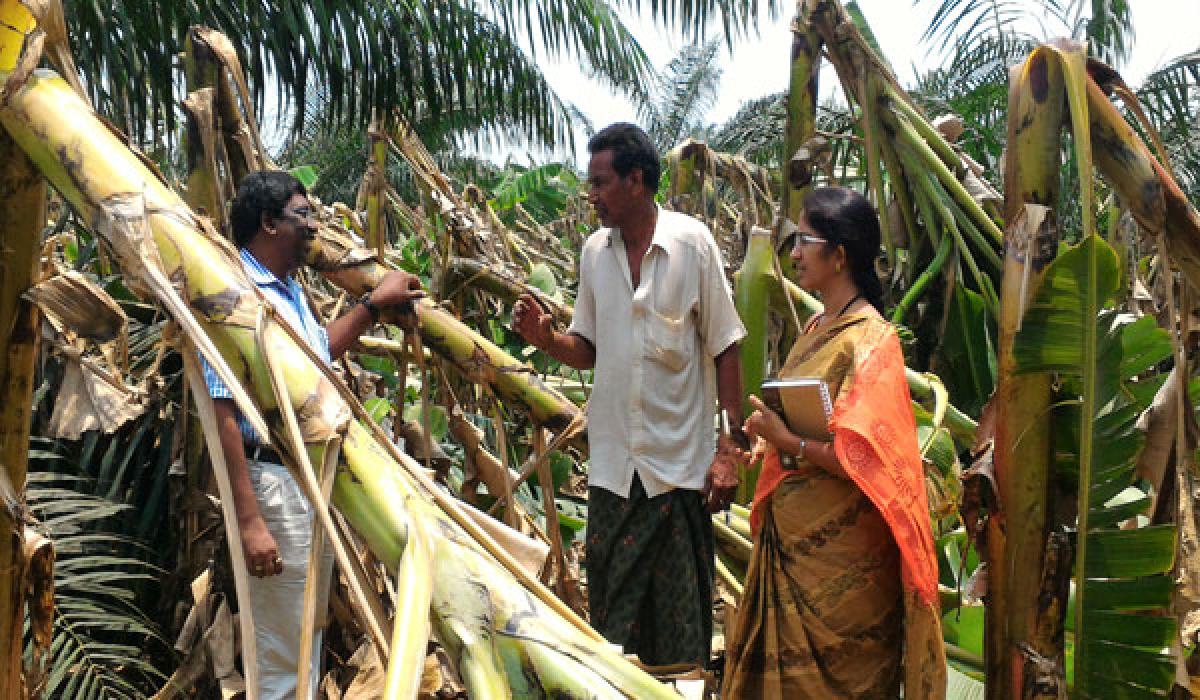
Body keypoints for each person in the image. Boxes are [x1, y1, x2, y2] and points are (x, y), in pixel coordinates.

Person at [512, 122, 747, 667]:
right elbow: (588, 347)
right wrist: (546, 339)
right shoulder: (596, 253)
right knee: (611, 635)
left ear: (636, 181)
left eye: (599, 183)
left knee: (680, 632)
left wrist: (729, 452)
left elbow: (726, 347)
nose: (589, 195)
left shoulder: (692, 246)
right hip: (613, 472)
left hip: (676, 474)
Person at [201, 171, 424, 699]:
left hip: (305, 480)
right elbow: (221, 406)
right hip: (272, 484)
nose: (313, 226)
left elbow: (315, 356)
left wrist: (371, 307)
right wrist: (251, 519)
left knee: (304, 638)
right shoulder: (239, 294)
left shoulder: (290, 294)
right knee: (281, 653)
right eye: (303, 215)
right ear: (269, 223)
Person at [723, 187, 946, 699]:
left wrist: (791, 443)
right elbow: (807, 421)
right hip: (793, 549)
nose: (794, 253)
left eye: (804, 240)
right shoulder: (817, 327)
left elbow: (869, 461)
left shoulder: (871, 341)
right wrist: (766, 440)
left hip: (847, 575)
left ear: (839, 254)